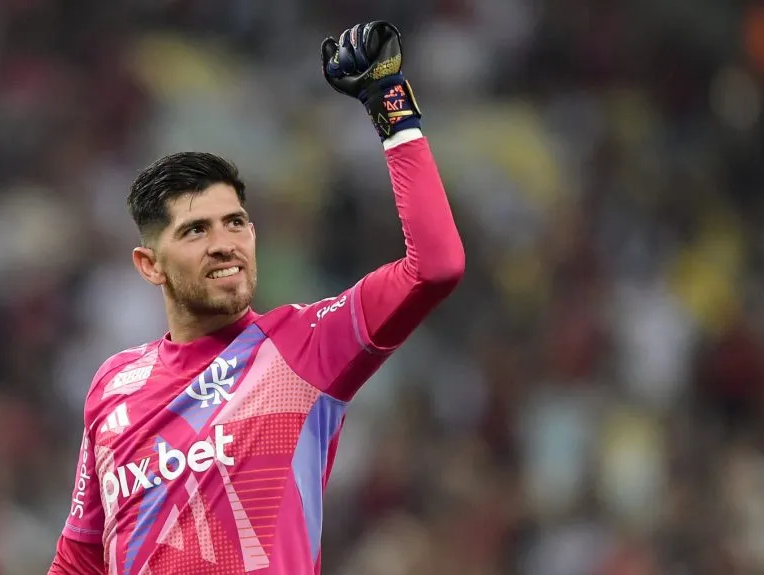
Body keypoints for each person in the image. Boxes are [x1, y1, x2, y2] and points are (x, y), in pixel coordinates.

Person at [48, 21, 465, 575]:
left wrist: (391, 107)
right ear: (150, 266)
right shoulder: (113, 385)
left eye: (236, 223)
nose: (225, 245)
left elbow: (435, 267)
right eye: (196, 231)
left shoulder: (304, 345)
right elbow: (79, 559)